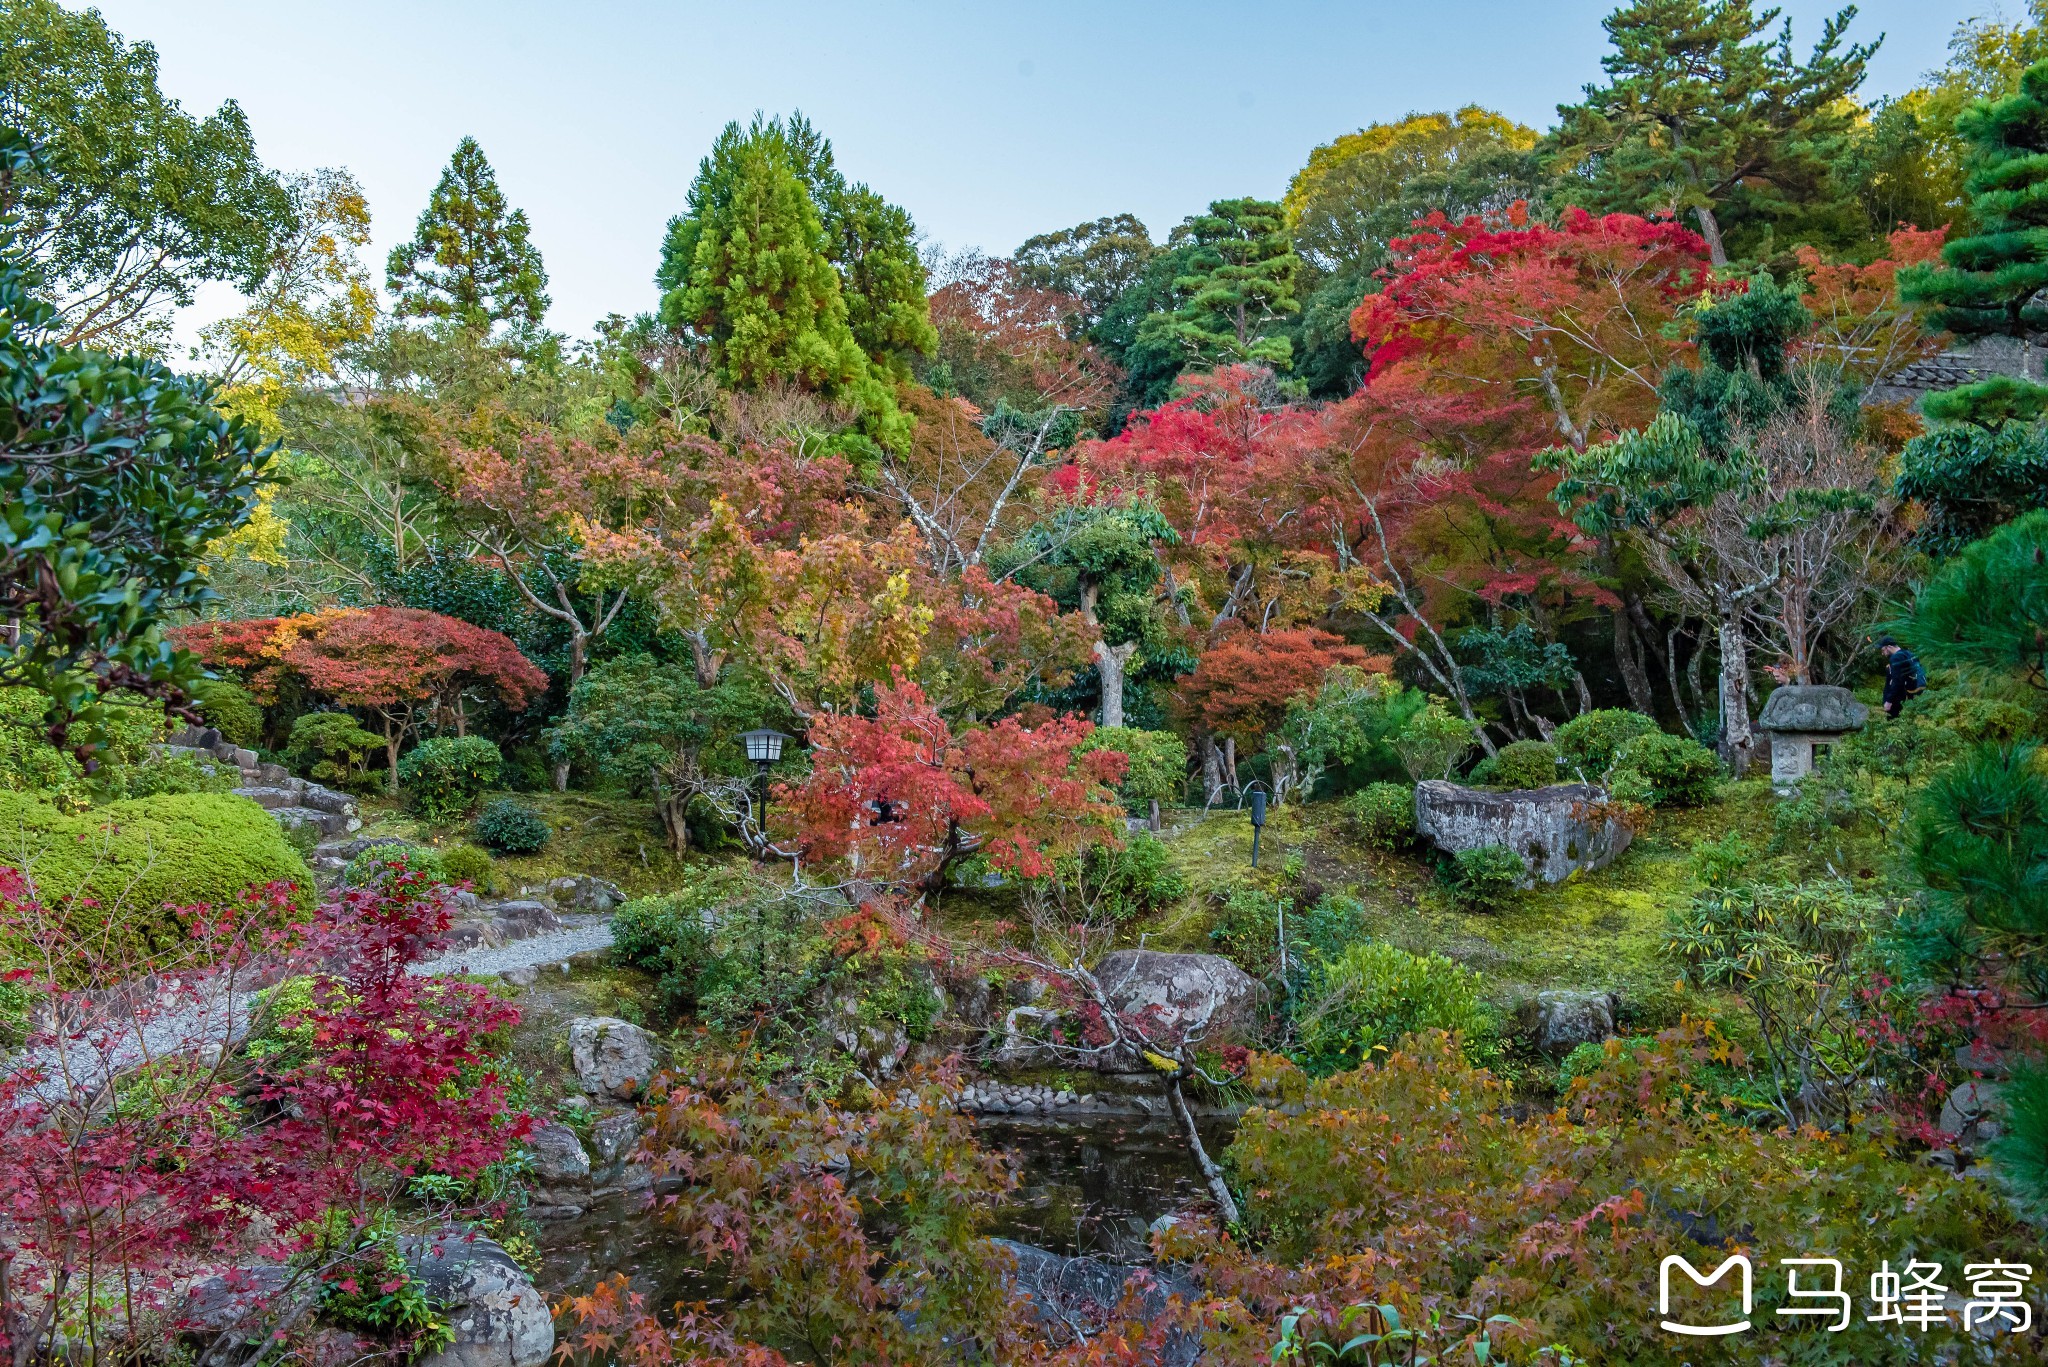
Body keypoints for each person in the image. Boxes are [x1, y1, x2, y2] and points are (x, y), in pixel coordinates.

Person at [1879, 635, 1925, 718]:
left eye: (1883, 650)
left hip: (1899, 696)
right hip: (1912, 692)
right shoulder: (1908, 653)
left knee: (1893, 721)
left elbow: (1897, 681)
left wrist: (1889, 701)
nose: (1882, 653)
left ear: (1889, 647)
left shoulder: (1895, 658)